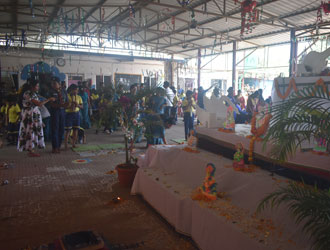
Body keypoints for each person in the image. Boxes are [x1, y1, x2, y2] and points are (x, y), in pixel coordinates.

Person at [17, 81, 55, 157]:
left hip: (33, 115)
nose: (38, 87)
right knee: (30, 131)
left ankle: (31, 149)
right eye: (37, 86)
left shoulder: (32, 94)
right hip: (30, 116)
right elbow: (39, 104)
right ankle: (30, 150)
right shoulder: (29, 93)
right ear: (32, 86)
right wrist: (49, 99)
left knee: (32, 131)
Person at [49, 77, 68, 153]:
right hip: (55, 112)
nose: (53, 85)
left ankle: (59, 146)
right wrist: (60, 105)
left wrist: (69, 105)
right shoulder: (50, 92)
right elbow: (51, 104)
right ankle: (55, 147)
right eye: (52, 83)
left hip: (62, 112)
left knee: (61, 129)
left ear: (59, 84)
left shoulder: (64, 91)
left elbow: (67, 101)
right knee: (55, 129)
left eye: (54, 83)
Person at [64, 84, 83, 150]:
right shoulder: (67, 96)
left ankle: (73, 144)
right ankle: (66, 145)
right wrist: (70, 105)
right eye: (75, 90)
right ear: (71, 90)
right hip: (69, 114)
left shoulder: (79, 97)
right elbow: (65, 106)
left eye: (77, 90)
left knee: (76, 129)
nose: (76, 92)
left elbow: (82, 106)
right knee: (68, 130)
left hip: (76, 114)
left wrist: (77, 105)